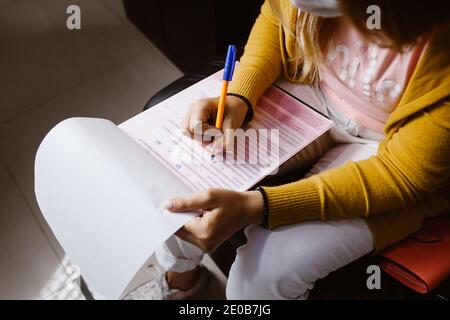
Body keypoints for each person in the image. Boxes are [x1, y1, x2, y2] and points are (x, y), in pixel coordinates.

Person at [124, 0, 450, 299]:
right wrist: (241, 95)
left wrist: (260, 207)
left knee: (263, 276)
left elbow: (404, 175)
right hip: (310, 87)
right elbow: (276, 16)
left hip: (391, 150)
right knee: (179, 168)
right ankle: (181, 282)